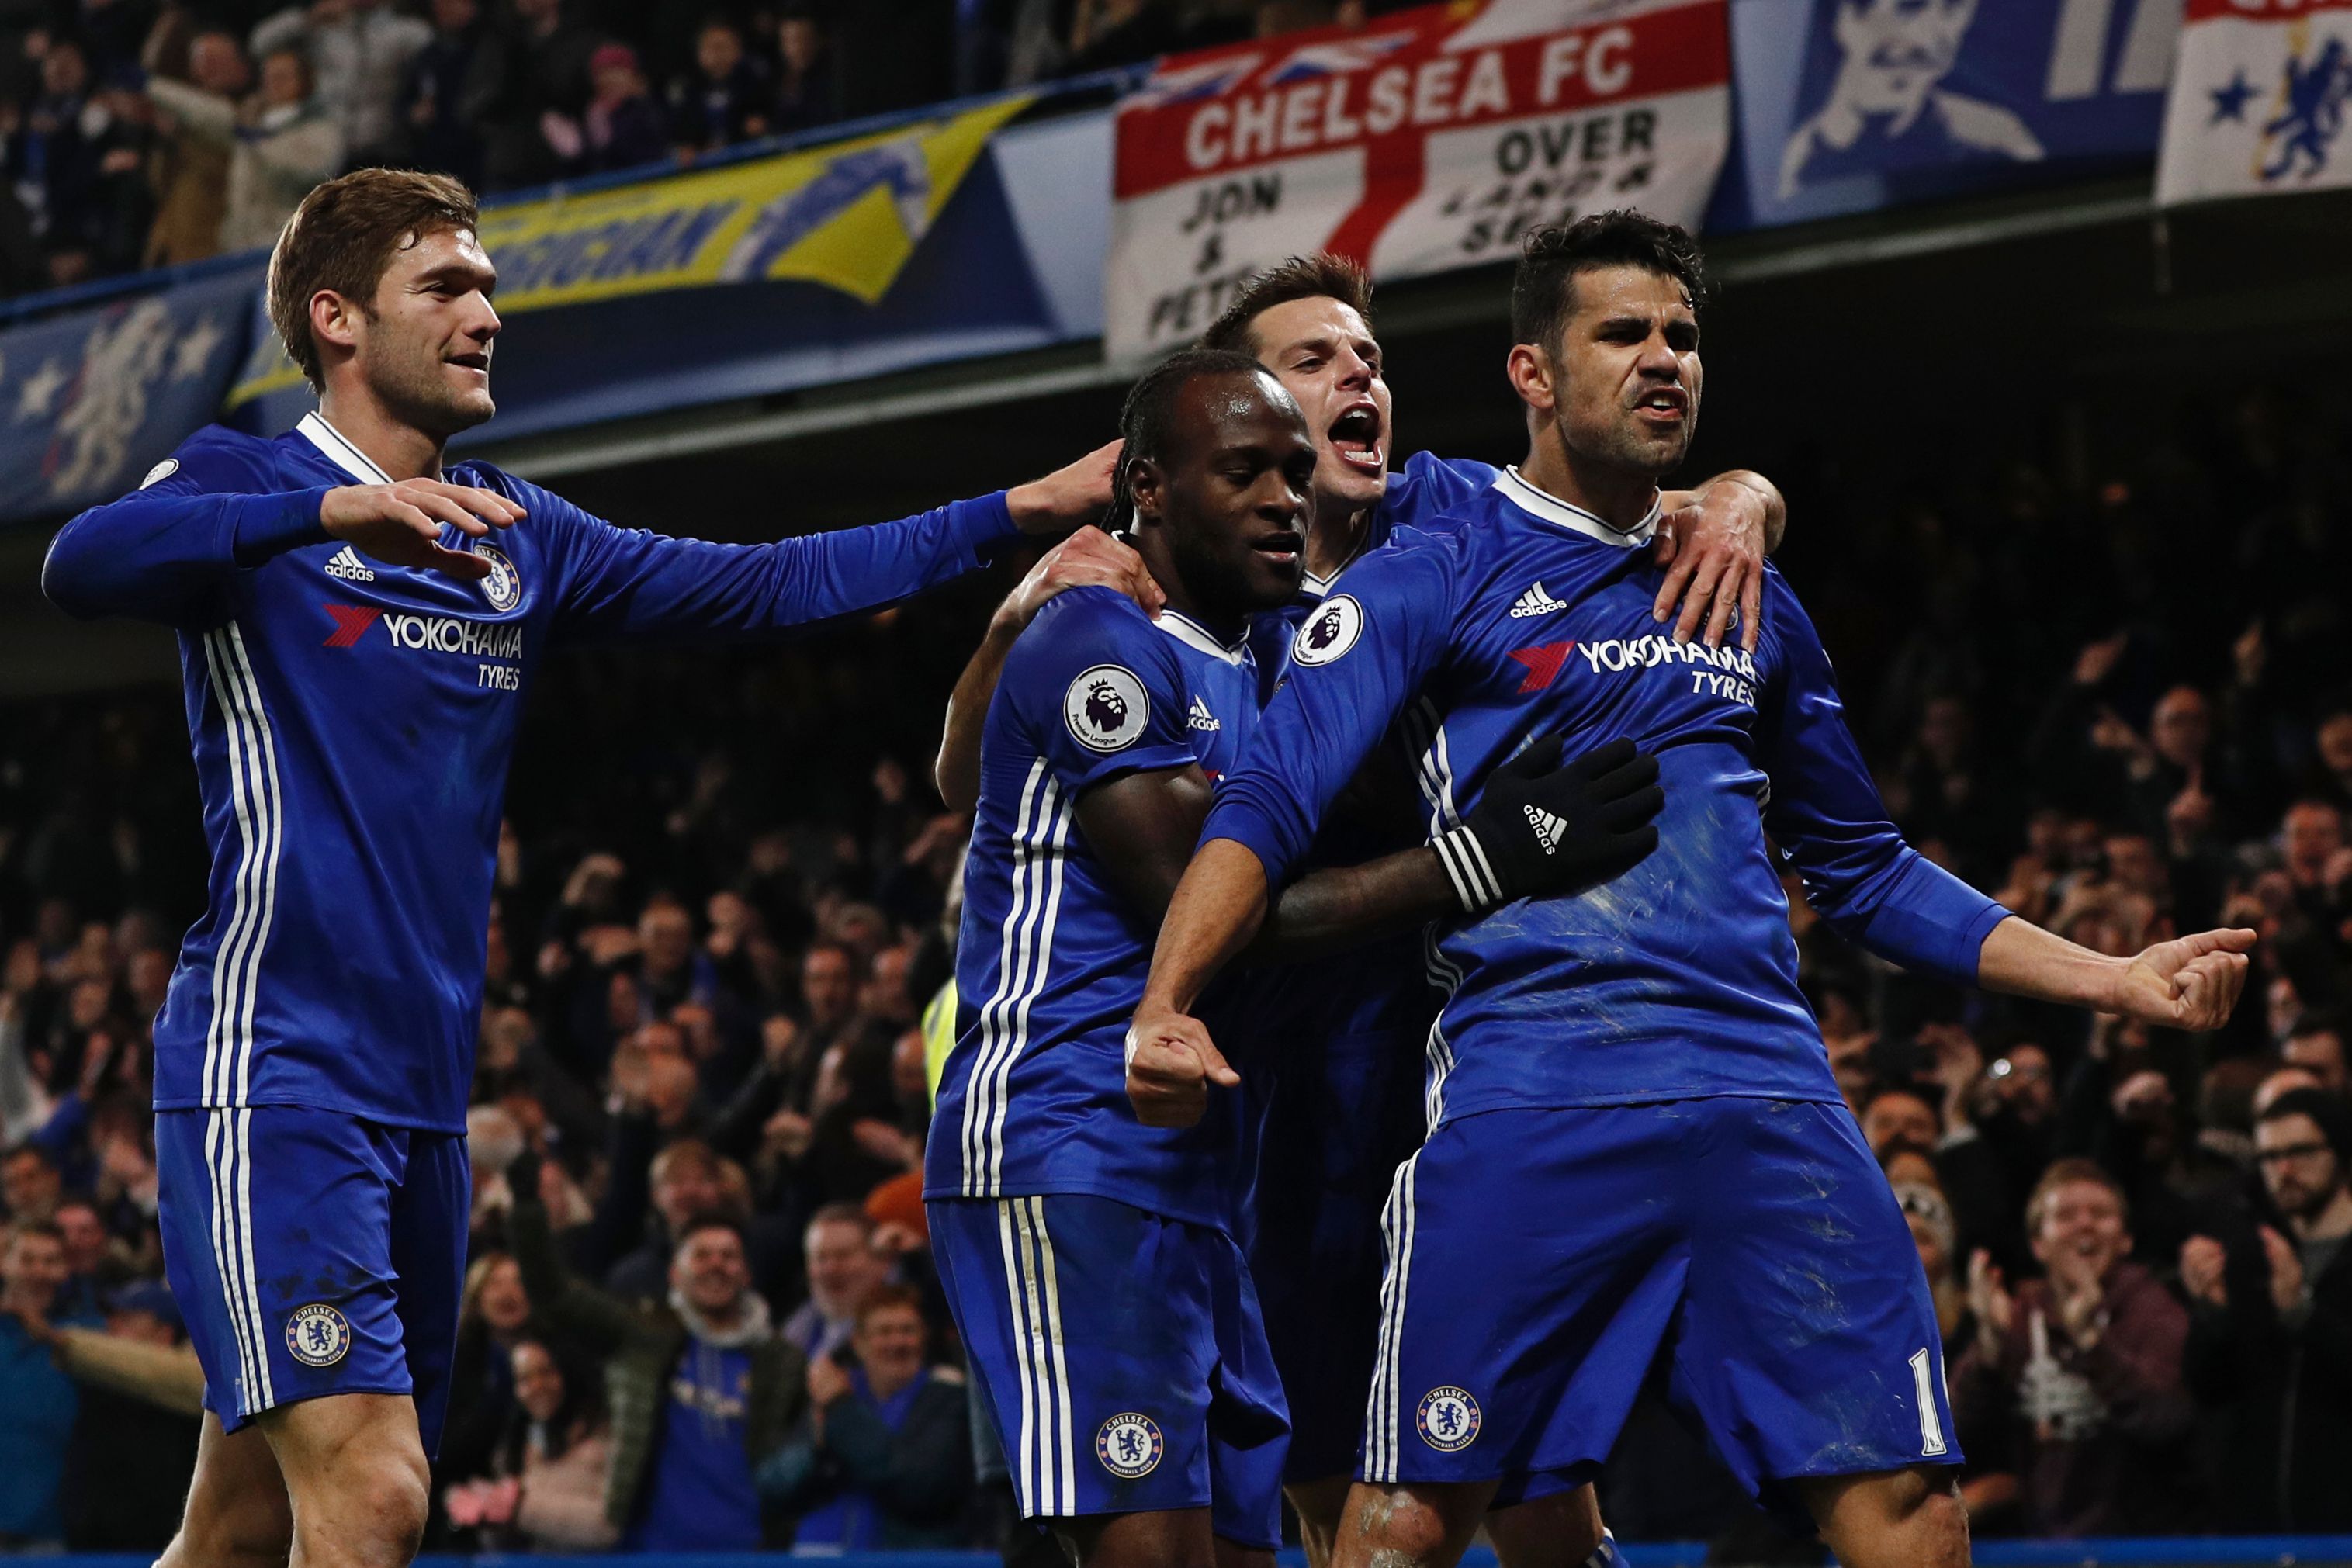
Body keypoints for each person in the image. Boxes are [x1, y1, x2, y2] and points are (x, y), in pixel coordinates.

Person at [1122, 213, 2255, 1568]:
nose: (1664, 361)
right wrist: (1169, 997)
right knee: (1406, 1524)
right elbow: (1271, 798)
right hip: (1530, 1092)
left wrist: (2112, 977)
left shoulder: (1748, 591)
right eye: (1624, 334)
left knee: (1913, 1516)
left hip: (1768, 1096)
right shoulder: (1440, 545)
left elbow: (1867, 869)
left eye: (1683, 337)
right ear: (1529, 372)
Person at [38, 167, 1110, 1568]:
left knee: (241, 1525)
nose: (487, 312)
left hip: (420, 1101)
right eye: (448, 286)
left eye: (487, 285)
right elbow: (81, 559)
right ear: (337, 318)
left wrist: (1018, 507)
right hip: (272, 1072)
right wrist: (322, 520)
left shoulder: (520, 536)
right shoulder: (254, 482)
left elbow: (768, 581)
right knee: (373, 1499)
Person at [930, 251, 1780, 1568]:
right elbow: (972, 775)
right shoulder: (1172, 614)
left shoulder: (1440, 520)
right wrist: (1016, 615)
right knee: (1297, 1500)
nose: (1357, 377)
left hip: (1458, 1084)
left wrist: (1740, 496)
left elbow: (1619, 492)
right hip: (1259, 1119)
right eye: (1310, 365)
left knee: (1527, 1481)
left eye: (1367, 357)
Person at [508, 1154, 802, 1550]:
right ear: (675, 1274)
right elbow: (554, 1296)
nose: (716, 1265)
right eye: (701, 1255)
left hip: (752, 1552)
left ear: (747, 1273)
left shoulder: (781, 1361)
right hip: (650, 1550)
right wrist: (528, 1209)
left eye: (729, 1256)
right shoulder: (643, 1335)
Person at [1952, 1161, 2197, 1537]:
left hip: (2141, 1551)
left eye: (2100, 1214)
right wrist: (1988, 1350)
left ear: (2126, 1239)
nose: (2085, 1225)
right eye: (2065, 1215)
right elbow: (1952, 1432)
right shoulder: (2017, 1317)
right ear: (2038, 1243)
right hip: (2044, 1549)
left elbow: (2169, 1419)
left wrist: (2092, 1344)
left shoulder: (2153, 1310)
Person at [2179, 1087, 2352, 1531]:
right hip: (2255, 1530)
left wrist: (2302, 1314)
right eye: (2270, 1157)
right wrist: (2212, 1314)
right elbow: (2209, 1390)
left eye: (2300, 1151)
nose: (2284, 1170)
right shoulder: (2249, 1256)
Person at [759, 1283, 973, 1548]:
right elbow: (773, 1487)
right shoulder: (832, 1395)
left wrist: (841, 1412)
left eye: (908, 1331)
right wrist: (817, 1451)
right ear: (857, 1344)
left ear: (924, 1339)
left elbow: (921, 1487)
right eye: (884, 1332)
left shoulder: (948, 1400)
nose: (897, 1342)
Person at [144, 43, 345, 253]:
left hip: (290, 244)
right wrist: (153, 86)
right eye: (268, 78)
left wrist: (263, 144)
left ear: (304, 81)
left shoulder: (319, 128)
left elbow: (313, 168)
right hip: (239, 245)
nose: (273, 85)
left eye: (282, 77)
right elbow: (204, 112)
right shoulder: (251, 118)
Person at [439, 1338, 617, 1550]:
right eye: (524, 1379)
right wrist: (485, 1514)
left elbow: (609, 1527)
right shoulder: (513, 1448)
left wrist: (518, 1507)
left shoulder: (603, 1439)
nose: (537, 1386)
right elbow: (502, 1550)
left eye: (546, 1372)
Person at [0, 1220, 102, 1551]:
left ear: (67, 1270)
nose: (39, 1272)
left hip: (53, 1534)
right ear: (5, 1263)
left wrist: (57, 1340)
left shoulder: (91, 1338)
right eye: (27, 1260)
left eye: (51, 1261)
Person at [781, 1203, 889, 1365]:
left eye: (843, 1255)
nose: (830, 1269)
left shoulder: (895, 1336)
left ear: (881, 1262)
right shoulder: (791, 1335)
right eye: (820, 1258)